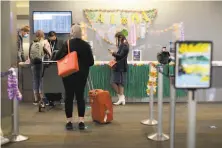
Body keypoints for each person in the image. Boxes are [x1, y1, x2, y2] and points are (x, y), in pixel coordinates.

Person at [54, 24, 94, 130]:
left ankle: (69, 122)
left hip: (69, 75)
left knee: (69, 97)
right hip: (82, 75)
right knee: (80, 97)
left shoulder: (67, 44)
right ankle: (81, 121)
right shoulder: (86, 45)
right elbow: (91, 62)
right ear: (81, 33)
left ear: (71, 32)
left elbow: (57, 57)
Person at [29, 30, 51, 107]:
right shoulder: (44, 43)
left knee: (35, 80)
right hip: (41, 64)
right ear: (42, 35)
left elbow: (29, 54)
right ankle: (42, 99)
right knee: (41, 80)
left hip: (33, 64)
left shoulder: (32, 42)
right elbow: (48, 54)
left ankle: (36, 99)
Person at [109, 32, 129, 106]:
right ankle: (121, 98)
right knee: (120, 83)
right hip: (119, 66)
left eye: (117, 38)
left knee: (115, 82)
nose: (116, 40)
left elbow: (120, 56)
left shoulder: (124, 45)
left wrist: (113, 53)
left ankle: (121, 97)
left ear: (120, 37)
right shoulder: (123, 45)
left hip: (120, 67)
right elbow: (120, 56)